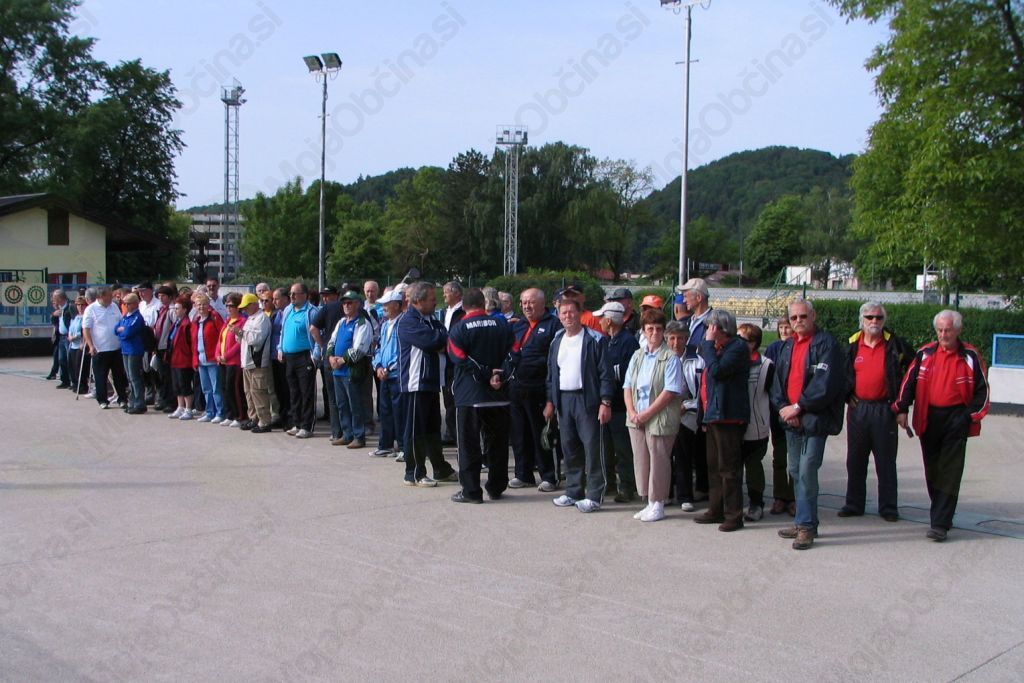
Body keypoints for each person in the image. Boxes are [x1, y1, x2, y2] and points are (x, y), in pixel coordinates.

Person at [894, 310, 990, 542]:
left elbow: (983, 392)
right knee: (933, 470)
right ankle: (942, 513)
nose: (943, 334)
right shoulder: (925, 353)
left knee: (950, 472)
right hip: (929, 418)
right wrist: (902, 408)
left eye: (948, 330)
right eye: (940, 330)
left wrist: (968, 417)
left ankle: (939, 523)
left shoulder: (971, 355)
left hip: (957, 418)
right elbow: (909, 382)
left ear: (958, 330)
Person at [771, 299, 847, 550]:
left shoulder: (827, 344)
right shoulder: (787, 346)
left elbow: (825, 385)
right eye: (793, 318)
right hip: (791, 420)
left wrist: (799, 407)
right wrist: (784, 408)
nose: (798, 321)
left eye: (803, 316)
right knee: (795, 470)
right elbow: (777, 384)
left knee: (806, 471)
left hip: (815, 421)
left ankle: (805, 526)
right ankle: (805, 521)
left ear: (813, 316)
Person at [840, 302, 913, 522]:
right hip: (859, 409)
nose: (874, 321)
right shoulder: (852, 344)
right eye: (870, 317)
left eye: (878, 318)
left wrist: (902, 406)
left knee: (886, 461)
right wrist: (846, 395)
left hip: (885, 409)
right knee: (855, 460)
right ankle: (854, 504)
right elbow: (842, 373)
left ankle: (888, 507)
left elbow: (912, 375)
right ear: (862, 319)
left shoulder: (896, 344)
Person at [544, 298, 615, 512]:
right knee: (569, 448)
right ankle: (573, 491)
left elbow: (606, 374)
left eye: (571, 312)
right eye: (563, 312)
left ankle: (594, 495)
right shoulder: (557, 340)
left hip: (588, 400)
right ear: (558, 316)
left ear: (580, 313)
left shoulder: (595, 339)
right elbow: (551, 375)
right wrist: (550, 401)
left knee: (593, 449)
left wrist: (605, 402)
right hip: (564, 401)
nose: (568, 316)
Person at [447, 288, 514, 503]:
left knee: (468, 445)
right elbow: (515, 352)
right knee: (498, 444)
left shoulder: (459, 328)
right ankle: (496, 487)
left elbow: (458, 357)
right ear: (484, 304)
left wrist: (485, 374)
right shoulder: (502, 324)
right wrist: (499, 375)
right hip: (499, 394)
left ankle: (471, 491)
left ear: (464, 306)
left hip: (470, 395)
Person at [693, 309, 750, 532]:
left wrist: (708, 345)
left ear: (720, 328)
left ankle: (733, 515)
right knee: (714, 466)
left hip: (729, 416)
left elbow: (717, 371)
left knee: (729, 468)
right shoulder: (719, 348)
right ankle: (715, 509)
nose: (708, 331)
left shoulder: (737, 348)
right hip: (714, 415)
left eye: (710, 327)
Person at [623, 308, 681, 522]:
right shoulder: (637, 355)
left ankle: (658, 503)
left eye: (658, 329)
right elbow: (627, 385)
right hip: (637, 416)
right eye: (650, 329)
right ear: (643, 331)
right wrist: (632, 411)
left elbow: (670, 391)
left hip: (659, 417)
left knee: (659, 460)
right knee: (641, 460)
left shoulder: (670, 358)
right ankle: (648, 501)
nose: (654, 333)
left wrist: (647, 414)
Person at [398, 281, 458, 486]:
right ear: (419, 300)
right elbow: (432, 341)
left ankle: (440, 468)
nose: (435, 302)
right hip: (416, 383)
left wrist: (440, 342)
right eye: (432, 299)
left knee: (432, 428)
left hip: (432, 381)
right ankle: (414, 472)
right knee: (416, 430)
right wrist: (439, 342)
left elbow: (445, 338)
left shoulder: (431, 319)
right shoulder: (408, 321)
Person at [505, 287, 563, 492]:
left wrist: (550, 399)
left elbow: (555, 362)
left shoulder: (554, 325)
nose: (526, 306)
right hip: (517, 388)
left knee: (542, 435)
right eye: (523, 302)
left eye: (531, 302)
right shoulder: (518, 325)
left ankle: (549, 476)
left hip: (539, 388)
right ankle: (523, 474)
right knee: (520, 435)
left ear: (542, 303)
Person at [594, 300, 639, 502]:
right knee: (607, 447)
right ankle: (609, 483)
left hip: (621, 405)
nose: (599, 322)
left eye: (602, 318)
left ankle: (627, 487)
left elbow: (629, 375)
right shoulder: (607, 340)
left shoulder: (628, 342)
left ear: (610, 320)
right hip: (609, 403)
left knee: (623, 449)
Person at [666, 321, 706, 511]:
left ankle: (684, 495)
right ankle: (665, 493)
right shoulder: (660, 358)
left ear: (687, 339)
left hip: (687, 415)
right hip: (665, 413)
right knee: (664, 456)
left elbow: (703, 393)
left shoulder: (697, 361)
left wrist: (687, 405)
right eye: (672, 338)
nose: (676, 343)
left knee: (683, 456)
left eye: (680, 338)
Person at [326, 290, 374, 448]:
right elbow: (332, 341)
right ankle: (347, 434)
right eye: (344, 303)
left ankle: (359, 436)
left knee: (355, 405)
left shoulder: (362, 323)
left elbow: (360, 348)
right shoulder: (341, 322)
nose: (346, 305)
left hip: (351, 371)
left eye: (349, 303)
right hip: (337, 371)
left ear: (357, 304)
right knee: (342, 404)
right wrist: (330, 357)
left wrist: (341, 360)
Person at [737, 323, 774, 522]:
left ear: (753, 343)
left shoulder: (766, 365)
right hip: (734, 425)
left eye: (743, 340)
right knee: (733, 466)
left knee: (753, 466)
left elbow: (773, 395)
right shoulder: (732, 360)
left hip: (756, 426)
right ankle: (734, 504)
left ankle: (756, 503)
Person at [764, 315, 795, 516]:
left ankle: (793, 497)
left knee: (795, 458)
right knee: (779, 455)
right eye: (781, 327)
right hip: (776, 408)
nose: (784, 331)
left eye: (787, 327)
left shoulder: (798, 348)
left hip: (794, 409)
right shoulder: (773, 348)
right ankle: (779, 496)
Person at [279, 283, 319, 439]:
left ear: (305, 295)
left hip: (305, 356)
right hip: (289, 357)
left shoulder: (312, 312)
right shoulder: (288, 310)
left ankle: (307, 426)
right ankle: (297, 423)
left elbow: (318, 334)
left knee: (306, 392)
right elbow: (283, 331)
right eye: (291, 293)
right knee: (293, 392)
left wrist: (315, 356)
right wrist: (280, 348)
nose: (292, 296)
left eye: (295, 293)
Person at [82, 286, 129, 409]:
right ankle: (102, 400)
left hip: (116, 348)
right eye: (108, 296)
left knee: (118, 376)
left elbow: (121, 321)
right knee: (100, 376)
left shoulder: (114, 306)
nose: (111, 298)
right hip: (100, 349)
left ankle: (122, 399)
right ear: (100, 296)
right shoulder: (91, 309)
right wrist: (91, 346)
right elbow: (86, 329)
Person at [372, 289, 405, 457]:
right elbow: (378, 348)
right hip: (384, 375)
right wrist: (378, 366)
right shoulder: (385, 325)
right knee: (385, 411)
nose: (383, 307)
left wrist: (388, 368)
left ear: (397, 305)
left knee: (399, 412)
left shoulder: (403, 324)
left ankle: (403, 447)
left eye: (387, 304)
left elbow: (403, 352)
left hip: (397, 376)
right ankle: (385, 445)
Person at [237, 293, 274, 433]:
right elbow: (244, 339)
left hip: (257, 362)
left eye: (246, 306)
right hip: (247, 361)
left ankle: (264, 421)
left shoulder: (262, 319)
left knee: (259, 392)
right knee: (249, 392)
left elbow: (256, 340)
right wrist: (239, 334)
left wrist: (241, 333)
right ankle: (254, 418)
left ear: (254, 304)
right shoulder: (250, 318)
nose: (244, 309)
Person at [310, 285, 343, 437]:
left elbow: (313, 329)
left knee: (334, 396)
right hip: (336, 355)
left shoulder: (326, 308)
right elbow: (313, 328)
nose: (325, 298)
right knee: (337, 395)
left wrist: (322, 344)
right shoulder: (350, 308)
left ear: (337, 295)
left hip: (331, 355)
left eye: (328, 295)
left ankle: (337, 431)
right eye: (323, 295)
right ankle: (340, 429)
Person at [191, 292, 225, 423]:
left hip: (213, 359)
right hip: (201, 359)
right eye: (199, 305)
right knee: (206, 388)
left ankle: (220, 412)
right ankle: (209, 412)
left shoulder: (214, 317)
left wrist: (219, 354)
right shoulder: (196, 321)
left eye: (204, 304)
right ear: (195, 306)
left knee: (216, 388)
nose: (201, 307)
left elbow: (222, 335)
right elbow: (194, 342)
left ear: (209, 305)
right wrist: (195, 360)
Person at [439, 280, 466, 444]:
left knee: (454, 398)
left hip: (456, 360)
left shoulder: (462, 312)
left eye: (446, 292)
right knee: (447, 398)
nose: (444, 295)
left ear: (456, 293)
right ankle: (450, 432)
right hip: (446, 361)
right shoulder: (446, 311)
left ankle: (456, 434)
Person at [217, 292, 247, 428]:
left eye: (231, 306)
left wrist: (227, 356)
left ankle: (239, 416)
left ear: (238, 307)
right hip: (223, 361)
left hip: (234, 361)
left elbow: (239, 344)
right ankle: (229, 414)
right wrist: (218, 354)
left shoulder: (242, 322)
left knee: (233, 388)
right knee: (225, 388)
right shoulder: (227, 321)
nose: (228, 308)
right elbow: (220, 340)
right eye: (227, 306)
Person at [116, 293, 147, 414]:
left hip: (134, 349)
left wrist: (122, 332)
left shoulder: (137, 317)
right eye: (125, 304)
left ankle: (139, 403)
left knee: (135, 377)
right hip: (125, 349)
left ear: (135, 304)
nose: (126, 306)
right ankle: (133, 401)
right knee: (129, 377)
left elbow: (128, 332)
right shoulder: (126, 316)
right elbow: (116, 329)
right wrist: (122, 332)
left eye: (128, 303)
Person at [166, 295, 195, 421]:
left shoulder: (187, 324)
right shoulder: (177, 323)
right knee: (177, 385)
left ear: (185, 310)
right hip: (175, 359)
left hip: (184, 359)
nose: (175, 310)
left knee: (185, 385)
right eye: (175, 308)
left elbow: (191, 343)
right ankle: (180, 406)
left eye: (177, 308)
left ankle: (188, 408)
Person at [269, 287, 291, 427]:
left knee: (287, 387)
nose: (274, 301)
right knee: (278, 388)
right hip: (274, 355)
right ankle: (281, 415)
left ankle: (289, 417)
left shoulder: (289, 313)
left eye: (277, 299)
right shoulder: (275, 314)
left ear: (285, 299)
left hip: (286, 356)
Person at [679, 278, 712, 358]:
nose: (684, 301)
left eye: (686, 296)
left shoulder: (713, 323)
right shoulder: (686, 322)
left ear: (698, 297)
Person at [49, 288, 74, 387]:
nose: (53, 300)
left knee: (70, 360)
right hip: (61, 337)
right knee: (61, 359)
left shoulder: (69, 307)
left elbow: (74, 321)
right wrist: (53, 315)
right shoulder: (59, 309)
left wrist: (71, 334)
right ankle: (65, 381)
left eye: (54, 298)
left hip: (68, 336)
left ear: (59, 298)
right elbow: (54, 322)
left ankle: (73, 381)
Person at [67, 296, 89, 395]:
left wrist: (76, 336)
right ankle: (75, 383)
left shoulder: (86, 317)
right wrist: (70, 336)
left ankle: (82, 385)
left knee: (79, 366)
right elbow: (71, 329)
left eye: (82, 305)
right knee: (72, 366)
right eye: (78, 305)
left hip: (81, 344)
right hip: (73, 345)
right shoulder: (75, 317)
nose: (80, 307)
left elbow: (84, 330)